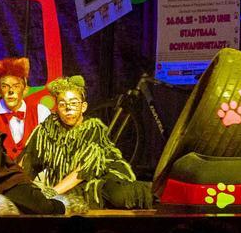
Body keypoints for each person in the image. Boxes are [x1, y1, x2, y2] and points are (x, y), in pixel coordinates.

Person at [21, 75, 147, 211]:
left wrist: (52, 192)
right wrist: (20, 189)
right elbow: (28, 160)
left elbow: (83, 170)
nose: (68, 108)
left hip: (103, 177)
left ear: (83, 107)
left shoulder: (92, 129)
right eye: (62, 104)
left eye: (74, 103)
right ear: (57, 108)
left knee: (119, 196)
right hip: (73, 184)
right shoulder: (47, 129)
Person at [0, 56, 51, 163]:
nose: (11, 91)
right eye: (5, 86)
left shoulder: (41, 112)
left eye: (16, 86)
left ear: (25, 89)